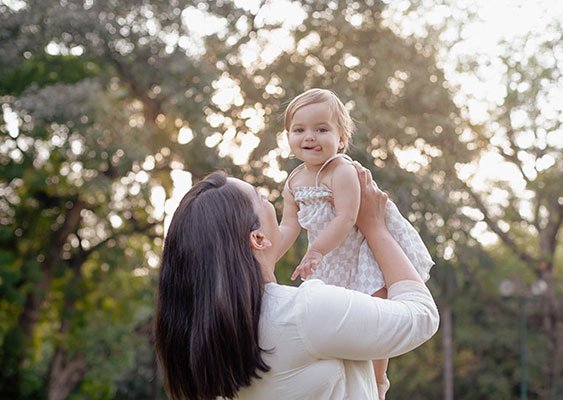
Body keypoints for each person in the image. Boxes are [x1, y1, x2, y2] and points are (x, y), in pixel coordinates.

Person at [154, 164, 439, 400]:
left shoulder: (208, 342)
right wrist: (375, 226)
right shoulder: (304, 312)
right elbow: (421, 315)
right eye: (261, 198)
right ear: (258, 238)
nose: (272, 201)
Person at [277, 88, 435, 398]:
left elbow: (347, 218)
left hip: (359, 250)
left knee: (376, 306)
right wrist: (267, 258)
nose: (310, 137)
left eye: (322, 129)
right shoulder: (294, 181)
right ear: (288, 137)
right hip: (330, 259)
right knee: (333, 317)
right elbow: (289, 224)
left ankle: (378, 381)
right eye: (300, 130)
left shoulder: (342, 171)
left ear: (341, 139)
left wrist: (317, 250)